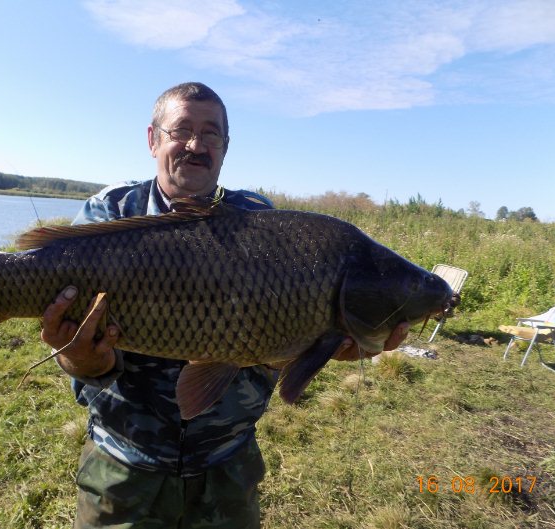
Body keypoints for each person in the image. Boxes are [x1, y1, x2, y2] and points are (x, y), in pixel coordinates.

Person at [40, 82, 409, 528]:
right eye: (181, 130)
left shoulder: (261, 221)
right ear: (153, 139)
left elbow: (277, 348)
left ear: (225, 147)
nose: (196, 145)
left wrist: (322, 346)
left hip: (226, 462)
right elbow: (76, 356)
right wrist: (80, 359)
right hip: (123, 463)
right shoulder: (112, 211)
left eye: (211, 134)